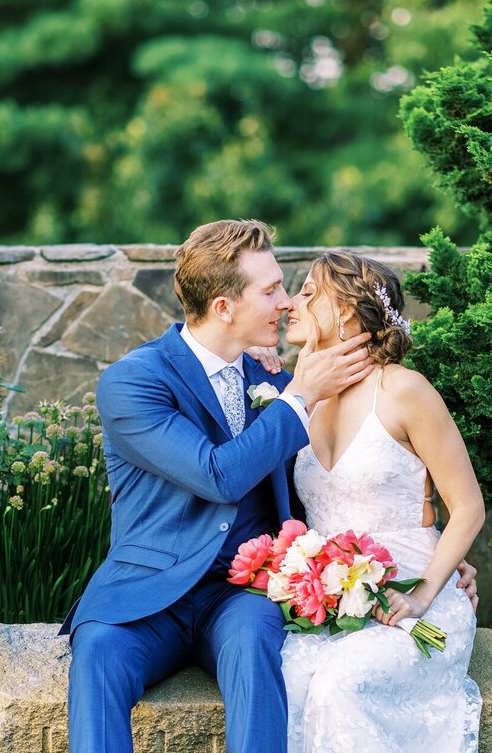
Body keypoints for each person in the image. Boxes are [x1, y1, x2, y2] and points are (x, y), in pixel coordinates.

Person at [59, 219, 377, 753]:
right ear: (224, 307)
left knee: (255, 645)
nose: (284, 301)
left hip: (242, 591)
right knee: (97, 655)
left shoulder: (273, 376)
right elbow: (216, 475)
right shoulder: (133, 382)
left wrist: (422, 557)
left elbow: (337, 477)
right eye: (271, 290)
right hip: (147, 595)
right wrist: (298, 398)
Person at [278, 251, 486, 752]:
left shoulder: (403, 390)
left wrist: (425, 591)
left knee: (339, 685)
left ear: (347, 310)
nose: (291, 303)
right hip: (332, 607)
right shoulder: (299, 398)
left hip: (413, 603)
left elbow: (469, 507)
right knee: (288, 679)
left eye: (308, 293)